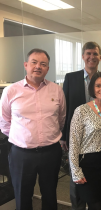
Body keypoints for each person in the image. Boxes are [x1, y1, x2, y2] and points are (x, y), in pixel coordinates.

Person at [0, 48, 66, 210]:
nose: (38, 66)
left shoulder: (56, 90)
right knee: (22, 196)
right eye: (34, 62)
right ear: (26, 65)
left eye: (43, 64)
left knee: (50, 194)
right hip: (22, 154)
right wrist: (22, 138)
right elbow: (4, 122)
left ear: (47, 69)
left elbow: (61, 118)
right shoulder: (11, 91)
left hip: (50, 152)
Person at [60, 41, 101, 210]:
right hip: (76, 135)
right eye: (88, 53)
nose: (92, 57)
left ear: (100, 57)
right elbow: (66, 108)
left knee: (96, 192)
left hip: (99, 140)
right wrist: (64, 135)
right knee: (77, 186)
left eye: (95, 54)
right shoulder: (71, 78)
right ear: (83, 56)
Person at [69, 72, 101, 210]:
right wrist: (75, 171)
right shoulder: (81, 111)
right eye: (98, 85)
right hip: (88, 164)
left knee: (99, 199)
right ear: (92, 88)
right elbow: (73, 142)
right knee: (95, 203)